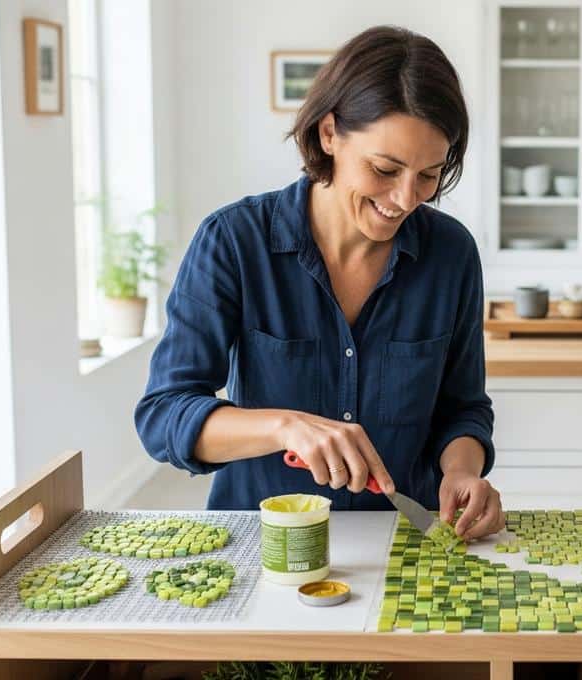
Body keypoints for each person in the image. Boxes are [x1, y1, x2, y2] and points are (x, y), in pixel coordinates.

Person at [135, 25, 503, 541]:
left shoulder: (451, 253)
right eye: (384, 168)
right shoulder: (235, 242)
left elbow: (463, 407)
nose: (405, 198)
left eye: (428, 175)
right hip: (263, 541)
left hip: (405, 541)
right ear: (329, 134)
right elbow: (164, 413)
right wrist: (284, 426)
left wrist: (463, 470)